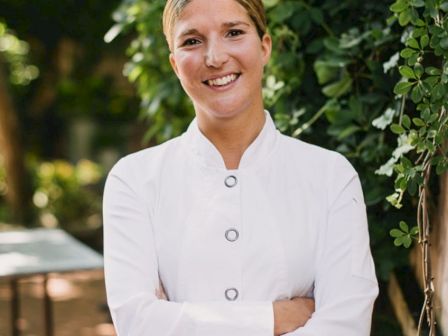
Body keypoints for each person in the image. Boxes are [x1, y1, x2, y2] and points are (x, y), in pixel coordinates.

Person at [102, 0, 379, 334]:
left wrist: (178, 319)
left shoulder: (331, 176)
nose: (215, 57)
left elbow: (345, 325)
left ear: (264, 47)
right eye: (192, 41)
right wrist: (274, 318)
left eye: (233, 32)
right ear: (175, 65)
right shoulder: (133, 180)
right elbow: (138, 323)